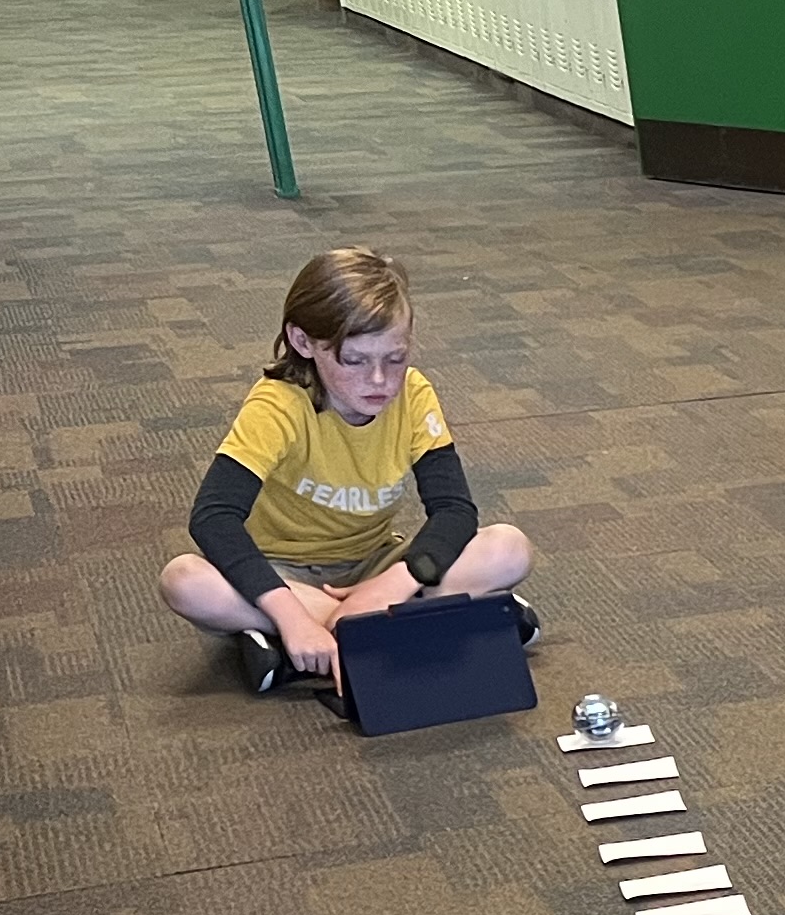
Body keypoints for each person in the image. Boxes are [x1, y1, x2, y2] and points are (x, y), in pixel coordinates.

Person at [157, 247, 537, 694]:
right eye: (354, 361)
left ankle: (306, 642)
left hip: (378, 562)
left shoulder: (414, 395)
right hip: (286, 574)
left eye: (395, 358)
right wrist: (291, 613)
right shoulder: (278, 405)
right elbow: (213, 516)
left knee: (510, 548)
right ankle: (408, 625)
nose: (380, 380)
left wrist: (389, 586)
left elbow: (454, 509)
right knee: (183, 581)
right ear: (303, 343)